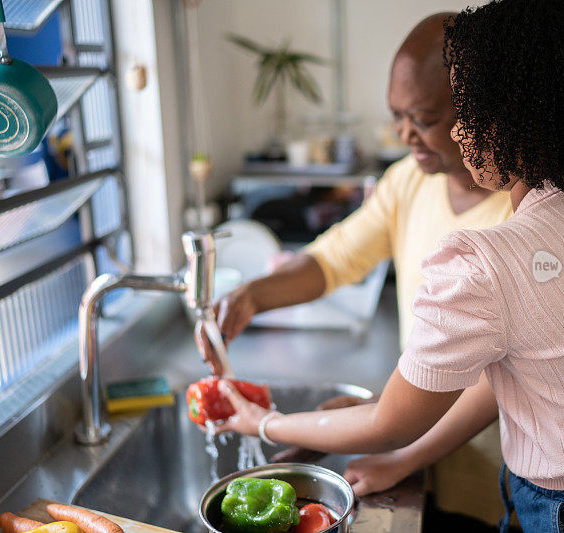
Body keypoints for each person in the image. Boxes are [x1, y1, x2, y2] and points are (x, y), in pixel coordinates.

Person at [209, 0, 564, 531]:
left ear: (524, 118)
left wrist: (266, 422)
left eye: (467, 112)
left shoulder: (484, 262)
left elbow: (391, 424)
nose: (459, 132)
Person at [197, 13, 514, 528]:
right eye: (397, 115)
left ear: (478, 111)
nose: (405, 133)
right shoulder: (409, 181)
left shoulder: (521, 214)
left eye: (424, 117)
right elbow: (335, 257)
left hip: (498, 474)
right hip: (417, 445)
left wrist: (403, 451)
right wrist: (252, 296)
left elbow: (494, 385)